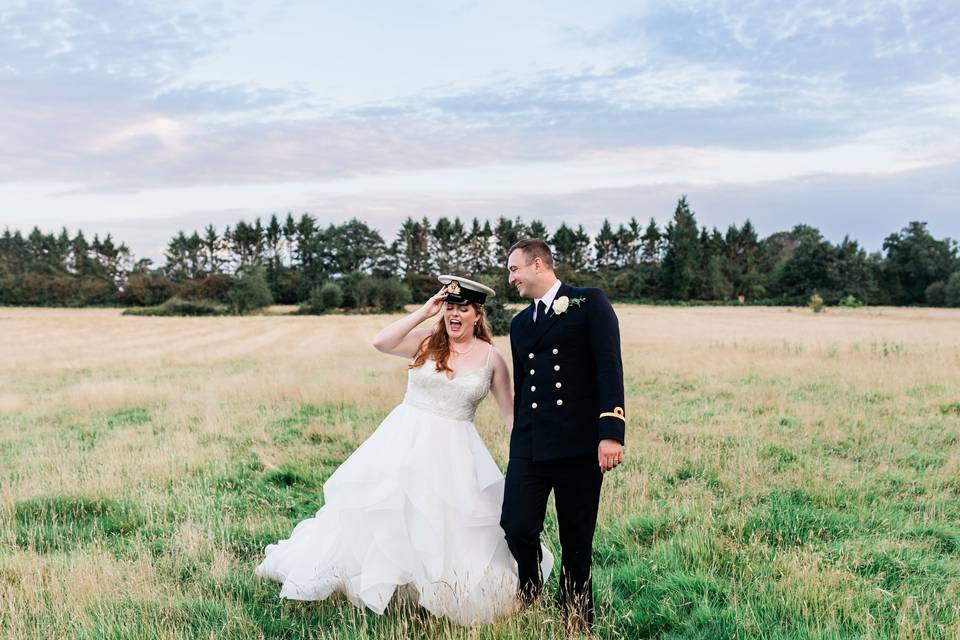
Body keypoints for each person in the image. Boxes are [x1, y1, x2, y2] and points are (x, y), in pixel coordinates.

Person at [255, 275, 553, 625]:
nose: (454, 315)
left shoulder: (492, 359)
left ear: (478, 314)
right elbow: (381, 341)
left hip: (455, 454)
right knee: (390, 513)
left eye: (463, 308)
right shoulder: (426, 340)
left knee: (446, 523)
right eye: (450, 307)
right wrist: (424, 311)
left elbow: (510, 416)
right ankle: (387, 582)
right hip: (403, 441)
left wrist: (535, 456)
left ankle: (437, 594)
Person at [499, 238, 625, 634]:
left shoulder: (589, 302)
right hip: (531, 444)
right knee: (515, 525)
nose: (510, 278)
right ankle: (531, 581)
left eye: (514, 269)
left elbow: (609, 367)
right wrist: (518, 437)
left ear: (538, 264)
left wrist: (611, 432)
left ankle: (576, 621)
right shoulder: (519, 324)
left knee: (576, 542)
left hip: (578, 445)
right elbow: (524, 386)